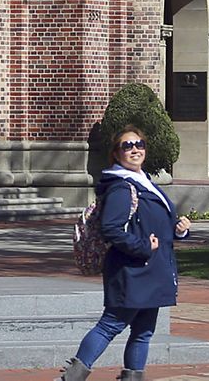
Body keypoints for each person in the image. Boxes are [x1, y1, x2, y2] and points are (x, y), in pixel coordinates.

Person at [59, 125, 191, 381]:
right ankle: (71, 378)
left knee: (143, 331)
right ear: (116, 154)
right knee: (111, 324)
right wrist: (142, 246)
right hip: (132, 269)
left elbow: (155, 225)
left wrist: (179, 230)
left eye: (139, 144)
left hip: (153, 268)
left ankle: (132, 378)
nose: (135, 149)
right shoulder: (121, 186)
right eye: (127, 146)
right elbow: (112, 229)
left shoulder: (145, 183)